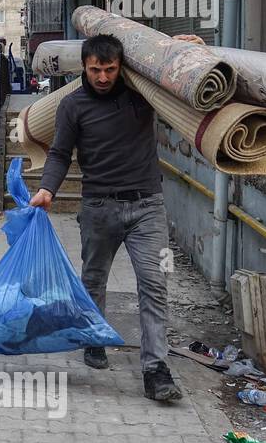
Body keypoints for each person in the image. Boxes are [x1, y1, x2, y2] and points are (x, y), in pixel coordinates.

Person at [30, 32, 205, 402]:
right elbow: (60, 153)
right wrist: (48, 189)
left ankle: (156, 370)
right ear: (85, 67)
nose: (104, 77)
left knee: (154, 284)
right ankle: (93, 338)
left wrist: (182, 47)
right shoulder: (73, 106)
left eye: (110, 69)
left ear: (121, 66)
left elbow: (171, 76)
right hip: (98, 208)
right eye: (96, 70)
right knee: (93, 280)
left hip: (147, 207)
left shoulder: (142, 95)